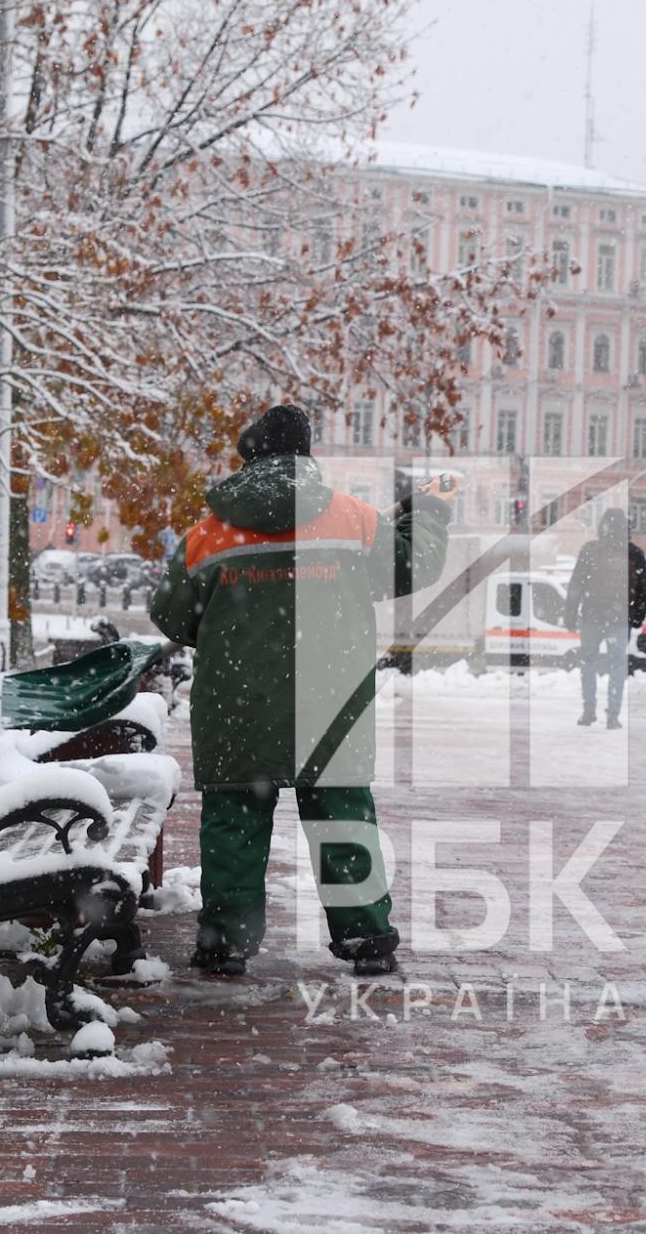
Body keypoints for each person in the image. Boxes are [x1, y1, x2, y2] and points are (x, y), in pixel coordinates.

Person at [150, 404, 452, 978]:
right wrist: (427, 512)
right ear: (306, 456)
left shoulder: (208, 533)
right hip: (330, 704)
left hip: (237, 708)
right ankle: (365, 938)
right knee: (343, 821)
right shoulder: (352, 520)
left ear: (252, 457)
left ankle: (225, 942)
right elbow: (415, 564)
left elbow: (171, 614)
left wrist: (229, 627)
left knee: (234, 823)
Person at [563, 509, 646, 728]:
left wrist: (570, 613)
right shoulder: (634, 554)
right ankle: (613, 715)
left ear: (602, 527)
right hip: (619, 619)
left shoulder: (590, 551)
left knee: (589, 664)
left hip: (592, 616)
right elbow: (645, 588)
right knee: (617, 666)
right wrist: (637, 615)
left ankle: (588, 710)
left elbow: (576, 584)